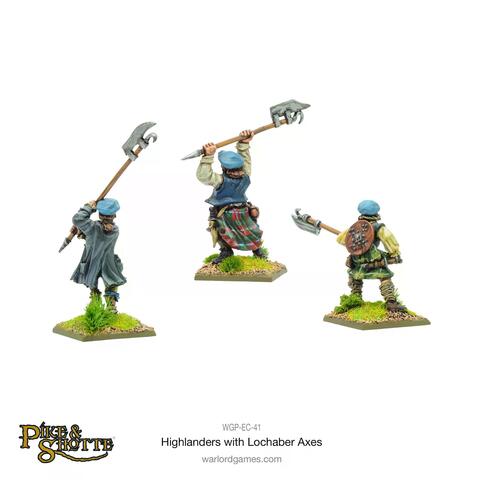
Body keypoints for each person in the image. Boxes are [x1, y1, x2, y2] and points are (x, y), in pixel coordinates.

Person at [196, 130, 265, 264]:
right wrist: (208, 157)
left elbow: (246, 161)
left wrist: (244, 144)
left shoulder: (244, 175)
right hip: (224, 213)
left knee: (251, 230)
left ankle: (257, 250)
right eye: (233, 170)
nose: (237, 172)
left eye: (239, 169)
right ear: (225, 169)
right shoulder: (221, 180)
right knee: (221, 231)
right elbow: (204, 176)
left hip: (242, 211)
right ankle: (226, 251)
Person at [336, 200, 407, 312]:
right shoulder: (379, 228)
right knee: (384, 277)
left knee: (356, 277)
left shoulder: (355, 227)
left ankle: (356, 297)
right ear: (376, 213)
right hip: (373, 259)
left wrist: (354, 240)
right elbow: (388, 238)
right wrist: (395, 253)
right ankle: (391, 302)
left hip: (357, 259)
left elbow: (342, 239)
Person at [70, 198, 126, 312]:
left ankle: (107, 307)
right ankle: (105, 307)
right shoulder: (115, 230)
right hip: (106, 263)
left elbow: (78, 219)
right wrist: (83, 233)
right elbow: (98, 239)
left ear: (100, 215)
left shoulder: (92, 227)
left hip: (95, 261)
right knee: (107, 284)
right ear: (114, 216)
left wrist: (88, 207)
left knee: (98, 283)